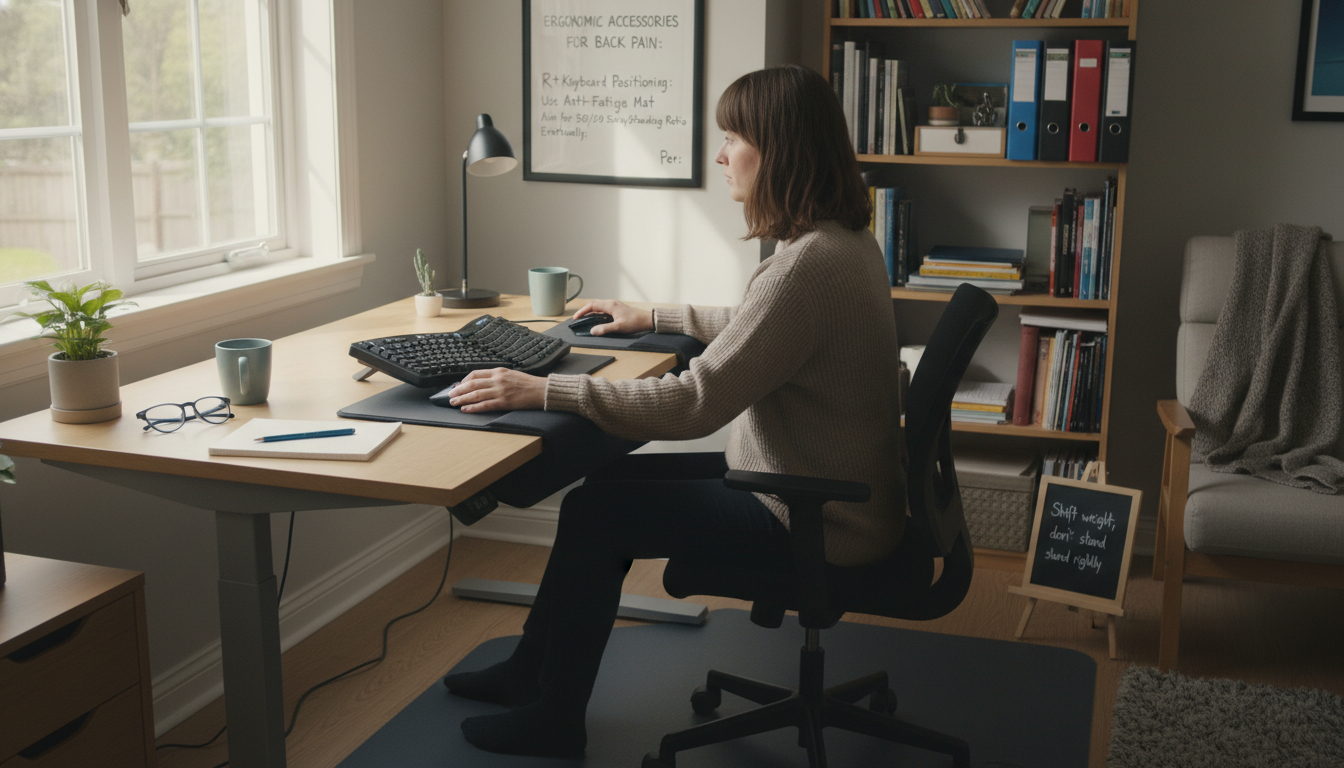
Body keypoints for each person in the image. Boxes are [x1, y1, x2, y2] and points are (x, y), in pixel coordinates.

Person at [441, 63, 904, 759]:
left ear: (776, 149)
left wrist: (544, 390)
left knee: (597, 514)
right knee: (599, 493)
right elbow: (764, 325)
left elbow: (693, 404)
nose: (721, 157)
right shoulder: (840, 243)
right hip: (819, 488)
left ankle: (554, 718)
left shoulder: (805, 267)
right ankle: (529, 676)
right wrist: (655, 313)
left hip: (812, 514)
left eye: (732, 139)